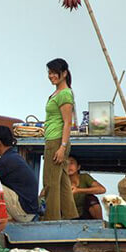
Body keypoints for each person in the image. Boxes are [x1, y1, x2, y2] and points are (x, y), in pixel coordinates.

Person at [41, 58, 78, 220]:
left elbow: (67, 122)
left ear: (64, 74)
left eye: (54, 73)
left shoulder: (64, 93)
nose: (51, 76)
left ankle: (51, 219)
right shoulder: (58, 92)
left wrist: (62, 147)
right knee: (62, 181)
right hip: (54, 139)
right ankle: (70, 216)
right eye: (49, 73)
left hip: (56, 141)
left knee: (50, 182)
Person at [0, 125, 38, 222]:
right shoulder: (12, 156)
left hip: (25, 213)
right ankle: (8, 217)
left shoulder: (5, 161)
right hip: (29, 209)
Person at [67, 156, 106, 220]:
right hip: (68, 216)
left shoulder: (84, 177)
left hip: (85, 214)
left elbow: (102, 189)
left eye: (71, 163)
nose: (68, 166)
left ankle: (99, 223)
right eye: (66, 164)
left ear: (78, 167)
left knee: (91, 198)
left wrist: (78, 190)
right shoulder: (60, 181)